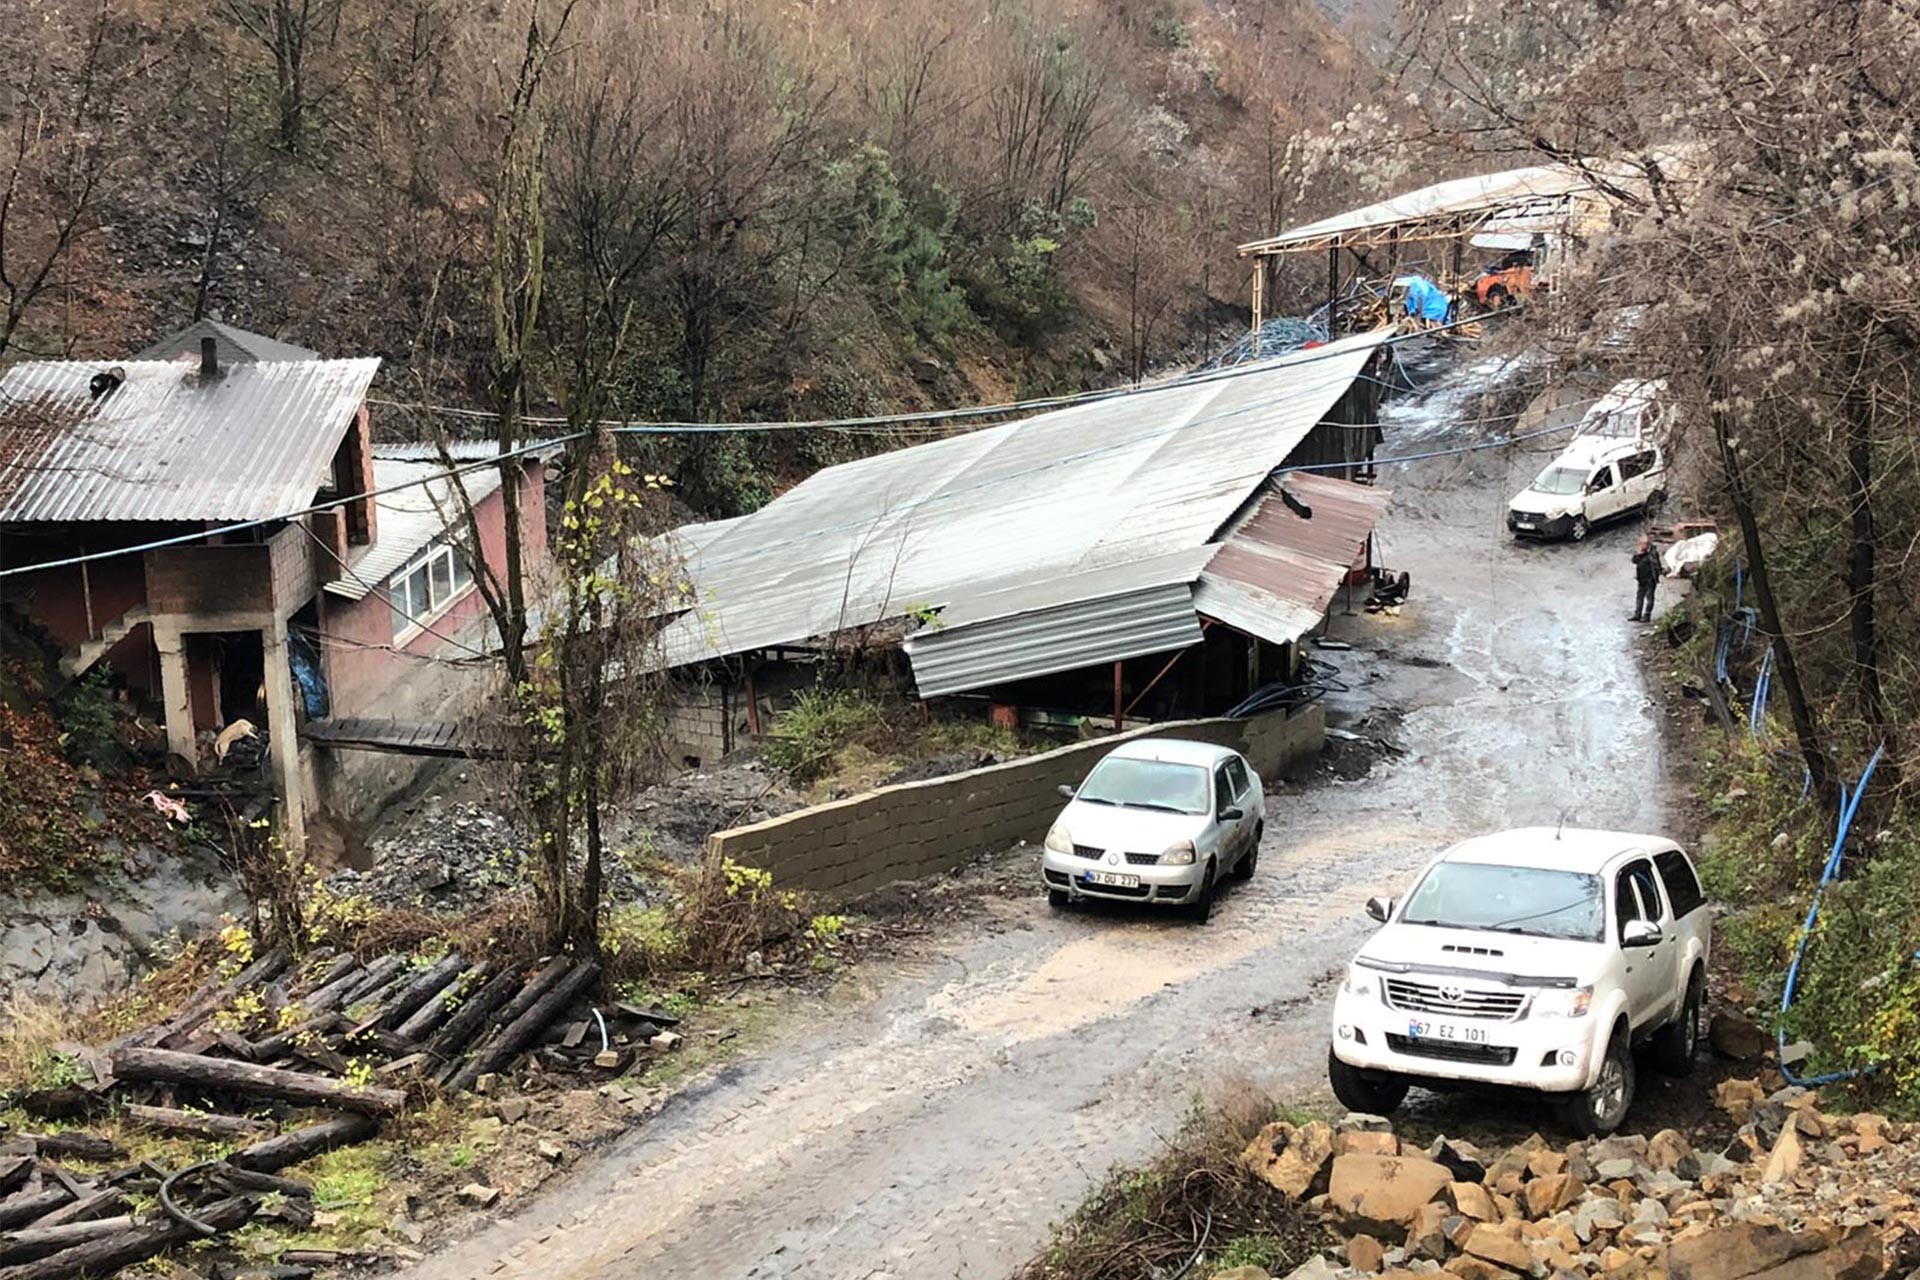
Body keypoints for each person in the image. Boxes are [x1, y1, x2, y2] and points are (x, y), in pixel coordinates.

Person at [1631, 537, 1660, 622]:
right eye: (1640, 544)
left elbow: (1656, 565)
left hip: (1650, 579)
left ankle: (1647, 615)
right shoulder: (1640, 552)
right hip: (1641, 579)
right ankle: (1637, 614)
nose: (1642, 546)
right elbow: (1634, 561)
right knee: (1639, 597)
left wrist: (1656, 576)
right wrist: (1638, 554)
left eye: (1644, 544)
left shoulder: (1652, 553)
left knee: (1649, 597)